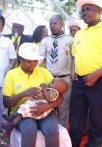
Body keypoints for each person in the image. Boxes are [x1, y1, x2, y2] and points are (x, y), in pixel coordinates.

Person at [3, 43, 62, 147]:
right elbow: (6, 102)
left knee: (52, 131)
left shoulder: (44, 72)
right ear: (20, 59)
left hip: (46, 111)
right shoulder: (11, 75)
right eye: (29, 61)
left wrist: (47, 106)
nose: (33, 64)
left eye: (36, 61)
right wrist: (23, 94)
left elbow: (60, 97)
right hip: (23, 114)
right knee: (29, 131)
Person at [69, 0, 102, 147]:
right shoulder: (79, 34)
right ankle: (72, 144)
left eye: (88, 9)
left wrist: (97, 74)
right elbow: (75, 55)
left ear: (99, 10)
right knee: (75, 118)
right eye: (83, 10)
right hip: (78, 82)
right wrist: (72, 70)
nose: (84, 13)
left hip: (99, 81)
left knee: (97, 119)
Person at [39, 15, 73, 128]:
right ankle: (50, 130)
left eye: (55, 23)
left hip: (66, 79)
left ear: (62, 24)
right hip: (50, 79)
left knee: (64, 108)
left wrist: (74, 73)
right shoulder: (45, 40)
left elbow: (74, 58)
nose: (52, 26)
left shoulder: (70, 39)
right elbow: (40, 58)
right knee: (48, 106)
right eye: (51, 23)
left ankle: (62, 134)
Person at [3, 78, 68, 130]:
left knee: (22, 113)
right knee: (21, 108)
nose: (50, 83)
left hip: (38, 108)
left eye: (52, 83)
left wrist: (44, 88)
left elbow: (48, 98)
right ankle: (11, 118)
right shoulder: (51, 90)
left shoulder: (55, 93)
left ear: (59, 88)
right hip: (35, 104)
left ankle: (12, 124)